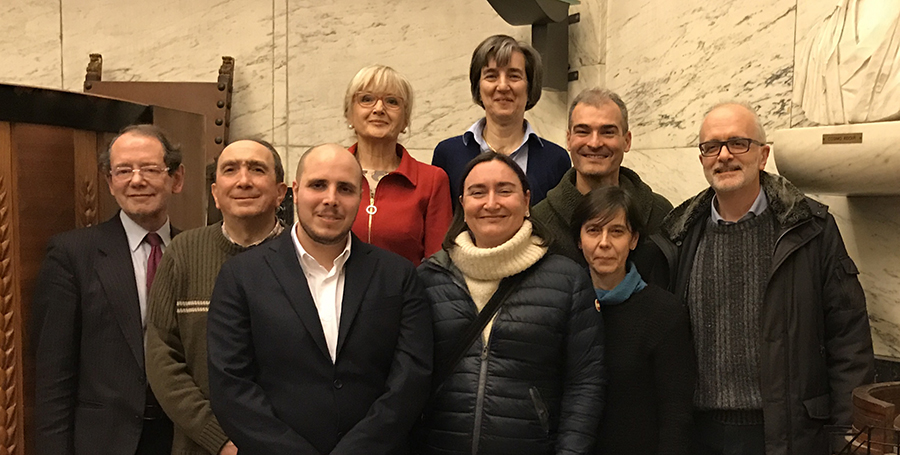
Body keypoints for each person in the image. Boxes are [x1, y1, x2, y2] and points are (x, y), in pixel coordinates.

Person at [660, 102, 875, 454]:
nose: (724, 155)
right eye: (711, 146)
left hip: (784, 433)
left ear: (763, 155)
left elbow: (848, 339)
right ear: (701, 159)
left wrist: (846, 435)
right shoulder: (676, 236)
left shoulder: (811, 230)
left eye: (738, 143)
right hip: (698, 434)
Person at [207, 143, 432, 454]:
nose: (331, 199)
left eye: (345, 189)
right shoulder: (241, 276)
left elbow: (410, 380)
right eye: (318, 185)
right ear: (294, 192)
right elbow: (230, 385)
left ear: (361, 198)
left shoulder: (398, 276)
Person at [416, 152, 604, 455]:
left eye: (505, 190)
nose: (492, 203)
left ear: (527, 200)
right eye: (478, 192)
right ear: (463, 204)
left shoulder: (567, 280)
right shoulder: (429, 278)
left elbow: (585, 384)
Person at [32, 124, 184, 455]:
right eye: (123, 170)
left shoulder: (194, 252)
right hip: (104, 442)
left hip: (183, 439)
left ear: (176, 178)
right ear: (109, 182)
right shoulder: (73, 255)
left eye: (149, 169)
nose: (136, 180)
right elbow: (53, 377)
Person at [145, 139, 288, 455]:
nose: (243, 180)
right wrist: (219, 439)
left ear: (280, 191)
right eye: (230, 170)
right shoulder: (182, 253)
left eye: (257, 169)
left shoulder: (304, 257)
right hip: (201, 447)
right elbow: (161, 357)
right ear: (215, 193)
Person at [572, 186, 694, 455]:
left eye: (616, 231)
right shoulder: (565, 306)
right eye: (593, 230)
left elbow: (676, 414)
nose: (604, 242)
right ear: (579, 240)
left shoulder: (664, 312)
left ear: (634, 239)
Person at [532, 88, 672, 286]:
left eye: (607, 132)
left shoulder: (661, 215)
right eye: (583, 131)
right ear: (568, 139)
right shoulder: (540, 223)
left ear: (627, 140)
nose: (595, 143)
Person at [432, 34, 570, 207]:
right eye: (491, 76)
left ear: (529, 87)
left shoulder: (556, 160)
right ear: (478, 87)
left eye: (514, 76)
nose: (503, 86)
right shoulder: (448, 155)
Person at [344, 64, 452, 265]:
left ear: (405, 120)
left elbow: (438, 266)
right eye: (366, 99)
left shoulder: (431, 181)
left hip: (405, 295)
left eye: (392, 101)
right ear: (349, 114)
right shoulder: (331, 174)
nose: (378, 109)